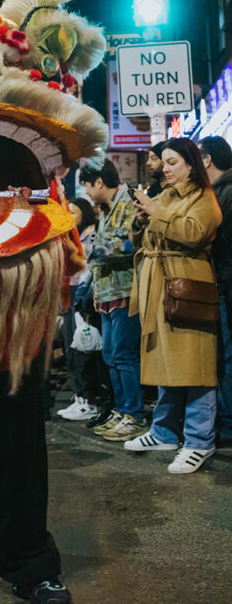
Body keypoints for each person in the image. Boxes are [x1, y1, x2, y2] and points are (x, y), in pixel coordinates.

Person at [125, 138, 222, 474]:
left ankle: (198, 441)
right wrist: (140, 220)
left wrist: (156, 212)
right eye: (163, 162)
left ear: (192, 164)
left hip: (187, 284)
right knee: (164, 360)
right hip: (158, 283)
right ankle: (164, 431)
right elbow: (141, 238)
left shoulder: (203, 196)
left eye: (172, 162)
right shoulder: (165, 196)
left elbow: (195, 233)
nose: (165, 169)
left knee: (195, 364)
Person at [78, 159, 146, 441]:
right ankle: (121, 409)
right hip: (107, 293)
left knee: (124, 355)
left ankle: (135, 415)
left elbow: (131, 243)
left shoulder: (130, 202)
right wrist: (95, 292)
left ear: (99, 182)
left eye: (87, 185)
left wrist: (92, 251)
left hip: (127, 291)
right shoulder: (105, 209)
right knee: (111, 356)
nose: (87, 192)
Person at [199, 136, 232, 448]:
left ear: (206, 160)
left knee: (227, 359)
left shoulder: (226, 194)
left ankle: (228, 426)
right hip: (221, 286)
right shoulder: (218, 193)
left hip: (225, 286)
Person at [57, 197, 101, 420]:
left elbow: (89, 267)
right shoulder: (68, 236)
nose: (70, 217)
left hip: (82, 294)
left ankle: (89, 399)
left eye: (74, 212)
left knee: (83, 348)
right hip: (68, 292)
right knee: (71, 346)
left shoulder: (91, 235)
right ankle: (80, 397)